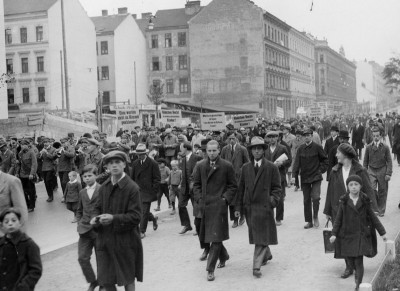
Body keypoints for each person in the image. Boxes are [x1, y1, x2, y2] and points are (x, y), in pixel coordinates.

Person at [91, 151, 143, 291]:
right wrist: (95, 218)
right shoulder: (104, 187)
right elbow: (97, 207)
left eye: (117, 162)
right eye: (110, 163)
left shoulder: (132, 188)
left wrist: (114, 218)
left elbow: (136, 217)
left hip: (126, 241)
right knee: (106, 280)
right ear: (106, 167)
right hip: (105, 240)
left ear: (124, 164)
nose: (114, 166)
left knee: (128, 278)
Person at [324, 143, 376, 279]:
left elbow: (369, 190)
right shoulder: (335, 170)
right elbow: (330, 191)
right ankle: (348, 266)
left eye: (338, 153)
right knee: (342, 238)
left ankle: (357, 265)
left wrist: (370, 209)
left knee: (356, 236)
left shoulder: (360, 170)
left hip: (357, 211)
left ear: (345, 155)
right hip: (339, 209)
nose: (336, 155)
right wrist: (327, 210)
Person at [330, 175, 387, 291]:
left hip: (361, 235)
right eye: (351, 185)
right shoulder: (344, 201)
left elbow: (373, 218)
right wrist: (334, 234)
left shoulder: (364, 201)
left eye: (356, 184)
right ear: (348, 187)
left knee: (359, 261)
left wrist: (383, 233)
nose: (353, 187)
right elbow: (338, 219)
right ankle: (355, 272)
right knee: (351, 261)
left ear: (360, 186)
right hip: (348, 235)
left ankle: (358, 284)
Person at [235, 136, 281, 278]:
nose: (256, 151)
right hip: (250, 208)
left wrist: (271, 201)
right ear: (250, 151)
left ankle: (256, 266)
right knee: (258, 235)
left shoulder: (271, 167)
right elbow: (241, 189)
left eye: (259, 148)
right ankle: (266, 254)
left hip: (264, 207)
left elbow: (277, 188)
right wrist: (238, 208)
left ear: (263, 150)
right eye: (254, 149)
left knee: (259, 237)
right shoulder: (246, 168)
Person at [193, 140, 237, 281]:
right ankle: (224, 256)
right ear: (206, 151)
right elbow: (196, 185)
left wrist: (224, 199)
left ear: (219, 150)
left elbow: (233, 186)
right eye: (209, 151)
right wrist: (199, 199)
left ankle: (210, 269)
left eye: (214, 151)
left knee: (216, 239)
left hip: (219, 207)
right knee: (209, 235)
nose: (211, 153)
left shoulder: (226, 166)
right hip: (205, 206)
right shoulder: (200, 166)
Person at [292, 129, 328, 229]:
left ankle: (315, 216)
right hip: (305, 178)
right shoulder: (300, 149)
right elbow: (296, 163)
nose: (306, 137)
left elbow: (325, 161)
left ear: (312, 136)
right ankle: (309, 221)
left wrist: (320, 170)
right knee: (306, 200)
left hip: (316, 177)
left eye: (308, 135)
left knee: (316, 198)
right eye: (305, 136)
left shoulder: (317, 147)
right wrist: (294, 176)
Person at [0, 208, 42, 290]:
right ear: (2, 226)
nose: (10, 224)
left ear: (20, 223)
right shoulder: (1, 243)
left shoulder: (28, 244)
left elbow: (36, 270)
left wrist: (24, 286)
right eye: (6, 222)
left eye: (13, 220)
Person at [76, 165, 101, 291]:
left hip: (99, 230)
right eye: (84, 176)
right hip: (84, 230)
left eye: (90, 175)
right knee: (82, 257)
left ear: (96, 175)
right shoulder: (82, 192)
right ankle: (92, 281)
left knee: (101, 257)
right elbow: (79, 210)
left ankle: (103, 282)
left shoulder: (102, 190)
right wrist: (79, 221)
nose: (87, 178)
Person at [130, 144, 160, 239]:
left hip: (148, 191)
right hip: (137, 190)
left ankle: (142, 231)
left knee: (144, 211)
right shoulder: (135, 163)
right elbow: (132, 178)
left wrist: (153, 190)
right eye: (138, 154)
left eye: (141, 154)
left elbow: (157, 179)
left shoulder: (153, 163)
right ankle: (153, 218)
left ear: (145, 153)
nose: (139, 156)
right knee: (140, 210)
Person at [220, 133, 249, 228]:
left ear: (237, 139)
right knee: (231, 199)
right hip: (228, 177)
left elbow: (247, 163)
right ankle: (235, 219)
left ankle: (242, 216)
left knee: (240, 197)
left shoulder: (242, 149)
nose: (231, 140)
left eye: (233, 138)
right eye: (229, 138)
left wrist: (242, 170)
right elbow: (221, 162)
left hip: (239, 177)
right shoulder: (225, 149)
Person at [363, 128, 392, 216]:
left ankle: (381, 210)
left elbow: (389, 161)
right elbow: (365, 162)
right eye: (374, 136)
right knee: (372, 189)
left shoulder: (385, 147)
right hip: (371, 170)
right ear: (372, 136)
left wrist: (388, 173)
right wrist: (364, 173)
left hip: (382, 170)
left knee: (383, 191)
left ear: (380, 136)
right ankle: (375, 208)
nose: (376, 138)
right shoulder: (368, 147)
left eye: (377, 136)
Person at [264, 131, 291, 226]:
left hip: (280, 175)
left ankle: (279, 218)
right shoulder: (265, 149)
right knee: (267, 197)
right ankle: (270, 217)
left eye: (274, 137)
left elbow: (289, 161)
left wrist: (282, 163)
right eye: (269, 137)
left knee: (279, 198)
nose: (271, 139)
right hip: (267, 176)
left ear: (277, 138)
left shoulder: (282, 148)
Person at [177, 142, 201, 234]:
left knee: (196, 207)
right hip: (184, 187)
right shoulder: (183, 159)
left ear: (186, 148)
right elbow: (183, 174)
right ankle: (187, 225)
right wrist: (180, 183)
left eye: (181, 148)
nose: (180, 150)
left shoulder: (197, 158)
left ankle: (198, 227)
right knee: (181, 205)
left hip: (194, 187)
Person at [15, 139, 37, 212]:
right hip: (22, 175)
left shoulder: (31, 152)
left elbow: (34, 164)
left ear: (28, 145)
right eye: (21, 145)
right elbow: (19, 164)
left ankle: (31, 206)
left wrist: (32, 174)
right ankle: (26, 204)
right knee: (23, 191)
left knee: (31, 191)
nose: (22, 146)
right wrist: (17, 173)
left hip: (29, 175)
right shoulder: (20, 153)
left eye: (24, 144)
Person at [39, 137, 57, 202]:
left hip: (50, 167)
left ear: (49, 142)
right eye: (44, 142)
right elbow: (40, 159)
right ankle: (49, 195)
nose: (45, 143)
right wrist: (40, 155)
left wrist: (46, 152)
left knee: (48, 181)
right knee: (46, 182)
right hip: (44, 168)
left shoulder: (54, 149)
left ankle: (51, 196)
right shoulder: (43, 149)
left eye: (46, 142)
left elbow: (53, 157)